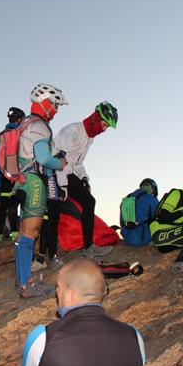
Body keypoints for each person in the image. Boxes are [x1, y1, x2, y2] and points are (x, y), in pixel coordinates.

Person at [21, 259, 145, 366]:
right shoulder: (134, 336)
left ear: (70, 295)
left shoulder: (43, 339)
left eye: (58, 288)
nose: (57, 293)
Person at [14, 83, 68, 298]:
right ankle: (26, 285)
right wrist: (60, 164)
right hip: (34, 181)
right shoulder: (39, 126)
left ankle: (20, 279)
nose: (56, 110)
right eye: (55, 105)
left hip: (22, 179)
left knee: (22, 233)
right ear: (44, 102)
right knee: (31, 232)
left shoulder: (26, 122)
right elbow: (44, 159)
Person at [54, 101, 119, 259]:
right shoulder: (72, 131)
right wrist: (62, 185)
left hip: (68, 173)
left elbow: (77, 163)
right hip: (54, 173)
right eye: (104, 125)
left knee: (89, 201)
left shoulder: (89, 138)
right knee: (54, 210)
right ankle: (49, 254)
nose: (104, 130)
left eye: (107, 128)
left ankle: (89, 247)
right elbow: (57, 159)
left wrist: (84, 178)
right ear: (95, 118)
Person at [0, 107, 25, 242]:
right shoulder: (20, 133)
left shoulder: (1, 134)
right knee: (14, 205)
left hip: (3, 175)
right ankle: (15, 234)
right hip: (16, 174)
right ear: (19, 120)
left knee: (3, 205)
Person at [120, 178, 159, 246]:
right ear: (152, 188)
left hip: (127, 238)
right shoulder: (151, 199)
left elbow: (121, 221)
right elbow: (159, 216)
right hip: (143, 239)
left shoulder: (127, 199)